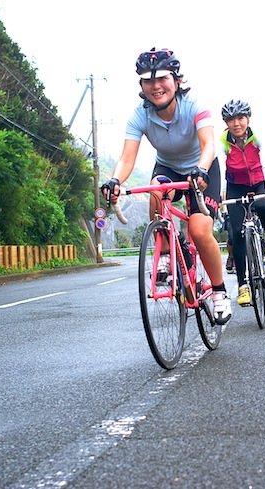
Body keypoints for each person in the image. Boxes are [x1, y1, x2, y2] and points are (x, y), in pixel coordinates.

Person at [101, 48, 231, 325]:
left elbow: (208, 144)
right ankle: (163, 256)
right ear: (141, 86)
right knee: (155, 191)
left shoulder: (194, 104)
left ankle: (219, 291)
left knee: (197, 230)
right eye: (147, 81)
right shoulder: (140, 115)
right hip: (168, 168)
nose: (155, 86)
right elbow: (126, 158)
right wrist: (115, 180)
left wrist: (202, 169)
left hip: (202, 167)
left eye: (161, 78)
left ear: (176, 80)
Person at [220, 99, 265, 307]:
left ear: (247, 119)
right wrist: (221, 196)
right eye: (231, 120)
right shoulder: (222, 142)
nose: (236, 123)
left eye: (240, 118)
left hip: (258, 183)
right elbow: (218, 166)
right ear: (226, 123)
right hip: (235, 186)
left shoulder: (257, 138)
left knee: (264, 206)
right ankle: (242, 285)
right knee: (235, 232)